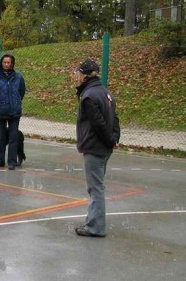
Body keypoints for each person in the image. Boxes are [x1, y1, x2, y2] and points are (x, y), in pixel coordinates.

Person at [73, 59, 120, 238]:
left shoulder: (89, 96)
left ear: (85, 75)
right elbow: (115, 119)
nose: (77, 77)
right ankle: (92, 222)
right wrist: (114, 138)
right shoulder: (105, 93)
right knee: (96, 186)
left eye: (79, 73)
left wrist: (109, 140)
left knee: (96, 188)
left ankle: (95, 227)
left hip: (95, 146)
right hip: (104, 146)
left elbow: (98, 124)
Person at [0, 53, 26, 170]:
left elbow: (21, 91)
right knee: (1, 137)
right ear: (1, 63)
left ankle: (12, 162)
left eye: (9, 62)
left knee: (13, 137)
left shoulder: (18, 77)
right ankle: (0, 160)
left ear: (12, 63)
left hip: (14, 113)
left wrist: (16, 102)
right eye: (5, 62)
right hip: (0, 112)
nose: (7, 64)